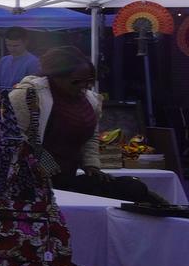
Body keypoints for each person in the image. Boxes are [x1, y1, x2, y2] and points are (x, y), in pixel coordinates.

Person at [9, 48, 172, 207]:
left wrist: (91, 165)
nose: (84, 86)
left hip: (67, 177)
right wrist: (47, 166)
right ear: (55, 76)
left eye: (88, 81)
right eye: (76, 82)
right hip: (29, 180)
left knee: (132, 187)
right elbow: (15, 137)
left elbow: (91, 136)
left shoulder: (90, 100)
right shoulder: (27, 94)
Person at [0, 27, 41, 92]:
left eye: (16, 46)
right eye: (8, 45)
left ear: (25, 43)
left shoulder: (33, 62)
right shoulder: (3, 61)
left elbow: (33, 88)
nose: (11, 49)